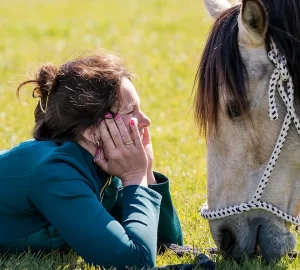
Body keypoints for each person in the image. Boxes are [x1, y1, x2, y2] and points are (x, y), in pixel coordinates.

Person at [0, 52, 183, 269]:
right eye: (130, 111)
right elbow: (134, 262)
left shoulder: (98, 165)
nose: (146, 120)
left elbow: (167, 243)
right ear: (91, 131)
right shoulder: (56, 173)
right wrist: (135, 177)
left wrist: (147, 173)